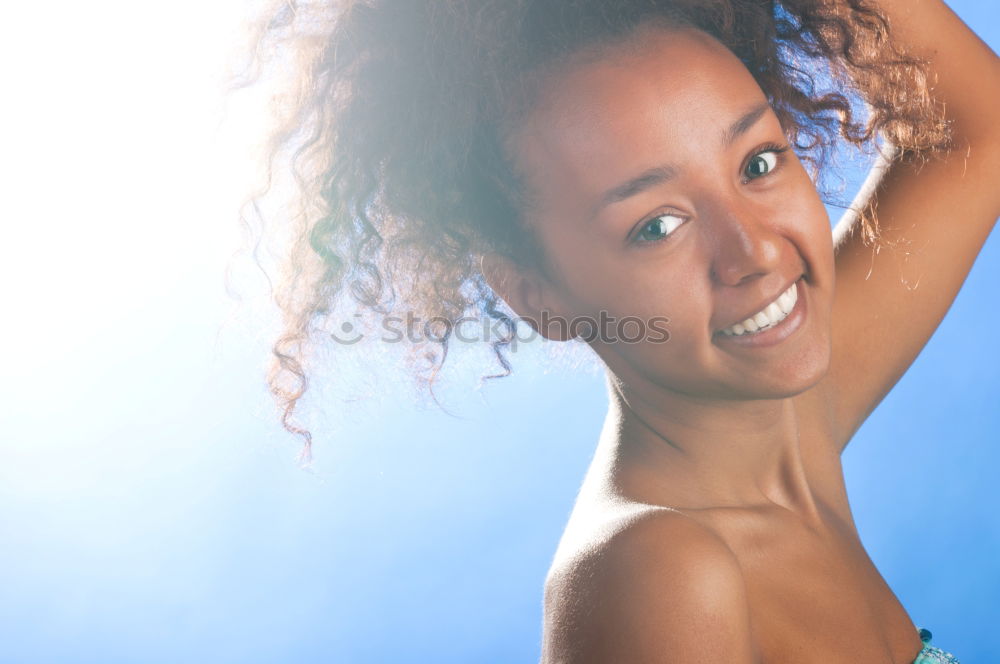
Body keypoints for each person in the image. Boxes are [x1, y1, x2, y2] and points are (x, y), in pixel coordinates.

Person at [239, 0, 997, 661]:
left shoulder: (788, 421)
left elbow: (979, 127)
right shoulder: (660, 574)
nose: (757, 252)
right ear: (537, 296)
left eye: (759, 162)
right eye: (657, 226)